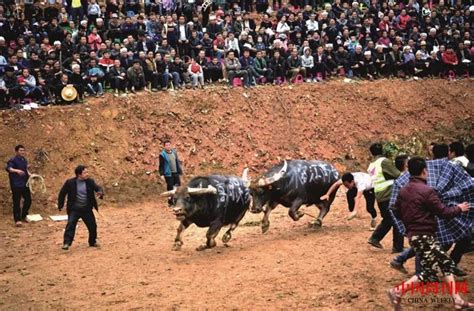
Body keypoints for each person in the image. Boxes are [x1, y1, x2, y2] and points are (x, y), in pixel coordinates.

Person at [387, 157, 472, 310]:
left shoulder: (403, 190)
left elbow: (397, 212)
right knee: (428, 275)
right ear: (424, 171)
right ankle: (396, 291)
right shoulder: (427, 191)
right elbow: (444, 212)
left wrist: (410, 220)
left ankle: (457, 300)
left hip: (415, 235)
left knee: (445, 264)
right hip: (424, 236)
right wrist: (459, 208)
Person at [367, 143, 404, 252]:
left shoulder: (371, 165)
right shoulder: (384, 161)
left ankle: (375, 238)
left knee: (388, 219)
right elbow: (397, 174)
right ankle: (398, 247)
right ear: (382, 150)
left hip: (379, 194)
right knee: (397, 218)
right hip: (389, 193)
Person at [58, 165, 103, 250]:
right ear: (79, 174)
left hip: (87, 209)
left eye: (87, 172)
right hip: (74, 209)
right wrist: (60, 205)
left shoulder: (90, 182)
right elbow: (62, 193)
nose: (87, 174)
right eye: (85, 172)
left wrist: (100, 192)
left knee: (92, 226)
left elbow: (98, 188)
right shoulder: (70, 183)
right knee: (70, 224)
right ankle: (67, 243)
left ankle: (92, 241)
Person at [6, 145, 32, 227]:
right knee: (16, 201)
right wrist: (16, 170)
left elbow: (25, 169)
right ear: (16, 151)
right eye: (21, 150)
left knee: (28, 200)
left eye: (23, 150)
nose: (22, 152)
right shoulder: (13, 160)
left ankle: (24, 216)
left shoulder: (24, 160)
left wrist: (30, 175)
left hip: (25, 183)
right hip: (16, 184)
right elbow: (9, 168)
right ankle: (17, 220)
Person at [159, 140, 183, 206]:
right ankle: (170, 201)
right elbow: (161, 165)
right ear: (164, 146)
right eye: (166, 145)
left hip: (175, 172)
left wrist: (179, 170)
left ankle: (177, 200)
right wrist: (161, 174)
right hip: (168, 174)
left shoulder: (174, 152)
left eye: (169, 145)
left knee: (178, 186)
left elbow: (177, 162)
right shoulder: (162, 155)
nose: (168, 146)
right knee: (170, 188)